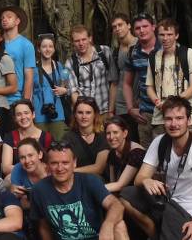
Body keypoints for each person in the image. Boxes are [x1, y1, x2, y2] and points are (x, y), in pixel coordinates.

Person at [120, 96, 192, 239]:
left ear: (189, 120)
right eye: (168, 119)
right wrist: (146, 181)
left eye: (179, 118)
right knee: (127, 195)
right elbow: (140, 178)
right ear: (163, 121)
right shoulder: (160, 142)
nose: (174, 124)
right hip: (169, 206)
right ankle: (154, 233)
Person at [29, 142, 128, 240]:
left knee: (119, 225)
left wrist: (108, 225)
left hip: (97, 237)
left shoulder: (89, 181)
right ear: (48, 165)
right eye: (54, 163)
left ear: (74, 163)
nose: (60, 168)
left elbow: (116, 205)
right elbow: (44, 227)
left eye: (65, 162)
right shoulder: (39, 190)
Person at [146, 18, 192, 136]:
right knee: (161, 151)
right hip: (160, 116)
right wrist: (157, 102)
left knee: (186, 150)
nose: (165, 38)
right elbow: (149, 86)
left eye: (169, 34)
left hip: (184, 115)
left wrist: (172, 103)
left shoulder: (188, 54)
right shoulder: (153, 57)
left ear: (177, 35)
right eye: (162, 35)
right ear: (157, 36)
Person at [123, 13, 161, 148]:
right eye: (138, 28)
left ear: (153, 27)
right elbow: (127, 83)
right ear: (133, 31)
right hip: (145, 113)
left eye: (145, 26)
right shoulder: (134, 52)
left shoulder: (166, 47)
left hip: (165, 110)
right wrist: (130, 108)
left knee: (166, 154)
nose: (142, 30)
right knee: (147, 155)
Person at [65, 25, 117, 118]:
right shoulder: (71, 62)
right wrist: (82, 113)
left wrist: (111, 110)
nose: (81, 43)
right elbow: (73, 92)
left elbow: (114, 82)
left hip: (105, 109)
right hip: (86, 113)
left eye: (84, 39)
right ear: (73, 42)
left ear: (90, 38)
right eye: (77, 41)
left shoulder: (104, 52)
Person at [1, 99, 54, 176]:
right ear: (15, 118)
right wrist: (31, 168)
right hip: (19, 179)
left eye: (26, 113)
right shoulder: (10, 137)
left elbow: (52, 165)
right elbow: (6, 168)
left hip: (42, 179)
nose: (23, 117)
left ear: (33, 114)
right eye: (19, 114)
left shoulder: (47, 137)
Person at [32, 33, 70, 140]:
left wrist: (64, 90)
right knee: (41, 145)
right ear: (39, 49)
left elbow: (66, 86)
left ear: (54, 49)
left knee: (60, 143)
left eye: (50, 46)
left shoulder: (59, 66)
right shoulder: (33, 69)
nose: (47, 49)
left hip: (57, 112)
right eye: (44, 46)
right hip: (39, 113)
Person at [109, 13, 140, 143]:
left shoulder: (141, 45)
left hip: (140, 103)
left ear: (128, 25)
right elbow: (114, 83)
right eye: (114, 26)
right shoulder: (115, 52)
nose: (117, 29)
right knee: (127, 143)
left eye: (120, 25)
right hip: (122, 106)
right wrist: (111, 110)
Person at [0, 6, 36, 104]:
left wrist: (25, 102)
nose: (4, 19)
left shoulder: (26, 45)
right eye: (2, 18)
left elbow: (29, 76)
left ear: (17, 21)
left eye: (9, 17)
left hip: (15, 98)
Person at [60, 96, 109, 176]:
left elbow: (98, 168)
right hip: (74, 179)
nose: (84, 117)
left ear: (95, 115)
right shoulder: (68, 137)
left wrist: (71, 171)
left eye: (88, 113)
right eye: (80, 112)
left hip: (98, 181)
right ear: (75, 115)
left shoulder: (102, 136)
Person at [102, 116, 146, 193]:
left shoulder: (136, 152)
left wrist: (92, 189)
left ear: (125, 133)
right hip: (122, 192)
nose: (111, 137)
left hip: (138, 194)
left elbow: (120, 185)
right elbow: (113, 182)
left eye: (115, 132)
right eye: (108, 133)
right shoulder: (112, 153)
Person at [8, 138, 48, 208]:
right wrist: (14, 193)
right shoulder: (18, 169)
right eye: (22, 157)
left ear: (40, 154)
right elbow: (18, 201)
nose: (27, 161)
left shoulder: (51, 170)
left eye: (30, 155)